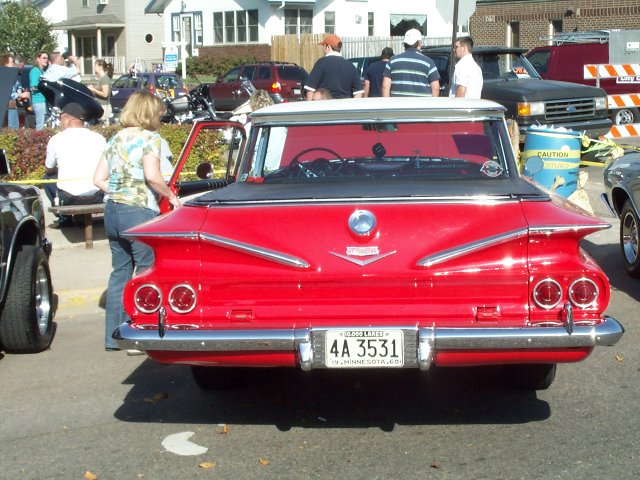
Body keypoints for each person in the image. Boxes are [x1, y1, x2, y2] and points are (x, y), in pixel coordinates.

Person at [93, 90, 181, 351]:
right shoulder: (150, 139)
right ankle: (140, 334)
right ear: (151, 114)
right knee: (146, 273)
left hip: (113, 212)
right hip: (139, 211)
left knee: (120, 273)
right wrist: (172, 196)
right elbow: (152, 176)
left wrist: (119, 191)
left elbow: (97, 179)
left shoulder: (115, 139)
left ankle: (113, 337)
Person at [44, 103, 106, 227]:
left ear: (68, 119)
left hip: (69, 198)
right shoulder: (99, 138)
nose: (60, 122)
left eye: (60, 118)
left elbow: (48, 168)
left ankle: (64, 218)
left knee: (47, 178)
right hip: (97, 195)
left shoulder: (56, 139)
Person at [382, 29, 440, 98]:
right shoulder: (428, 62)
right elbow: (436, 88)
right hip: (422, 107)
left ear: (405, 43)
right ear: (419, 43)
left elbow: (385, 86)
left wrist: (388, 105)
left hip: (398, 106)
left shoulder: (392, 61)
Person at [304, 34, 363, 100]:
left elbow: (310, 89)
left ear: (328, 47)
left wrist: (310, 106)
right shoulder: (350, 66)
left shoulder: (321, 63)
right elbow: (359, 92)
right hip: (345, 107)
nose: (323, 49)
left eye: (324, 46)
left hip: (326, 106)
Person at [1, 53, 29, 129]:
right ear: (5, 64)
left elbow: (17, 86)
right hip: (6, 104)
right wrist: (20, 95)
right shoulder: (4, 75)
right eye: (11, 62)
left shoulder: (13, 75)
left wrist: (20, 93)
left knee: (14, 127)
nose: (13, 64)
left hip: (12, 104)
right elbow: (9, 92)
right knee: (10, 128)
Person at [87, 59, 113, 124]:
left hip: (104, 107)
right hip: (100, 106)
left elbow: (105, 94)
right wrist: (93, 88)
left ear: (100, 67)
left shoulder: (105, 79)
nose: (93, 67)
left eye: (95, 65)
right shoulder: (101, 78)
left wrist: (93, 89)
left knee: (103, 128)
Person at [29, 51, 49, 130]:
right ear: (38, 59)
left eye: (47, 58)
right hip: (38, 101)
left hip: (44, 100)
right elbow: (33, 88)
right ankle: (38, 141)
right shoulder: (35, 71)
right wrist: (44, 87)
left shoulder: (43, 72)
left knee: (44, 124)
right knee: (40, 125)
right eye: (44, 58)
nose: (46, 60)